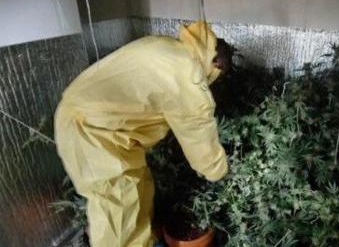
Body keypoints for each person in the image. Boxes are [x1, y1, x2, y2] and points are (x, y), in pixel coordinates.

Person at [54, 21, 232, 247]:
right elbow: (198, 134)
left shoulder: (170, 47)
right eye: (216, 75)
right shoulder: (189, 76)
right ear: (214, 61)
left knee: (139, 189)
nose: (212, 81)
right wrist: (220, 171)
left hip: (104, 127)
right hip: (90, 130)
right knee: (118, 207)